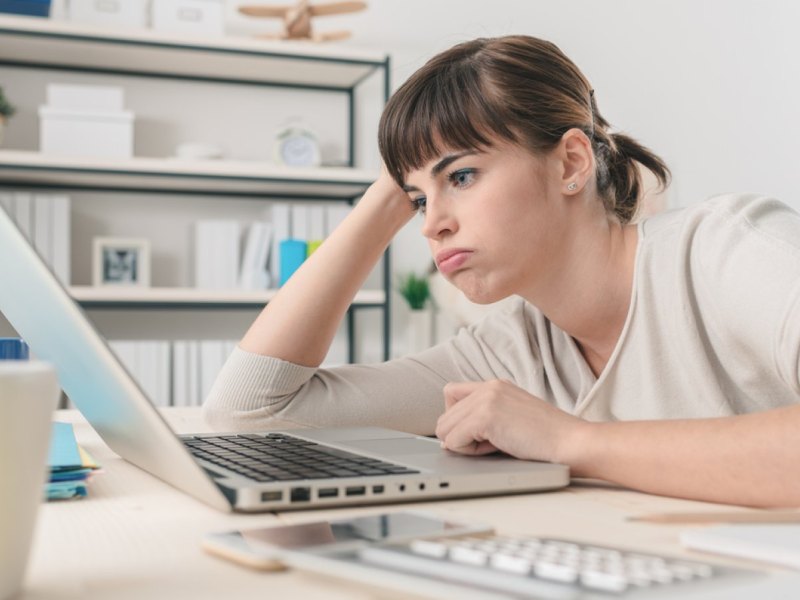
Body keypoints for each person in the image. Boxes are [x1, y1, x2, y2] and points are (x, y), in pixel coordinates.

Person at [204, 35, 800, 508]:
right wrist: (381, 200)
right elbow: (248, 416)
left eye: (461, 176)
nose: (431, 225)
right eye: (416, 201)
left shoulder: (729, 251)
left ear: (571, 161)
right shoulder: (506, 353)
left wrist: (571, 441)